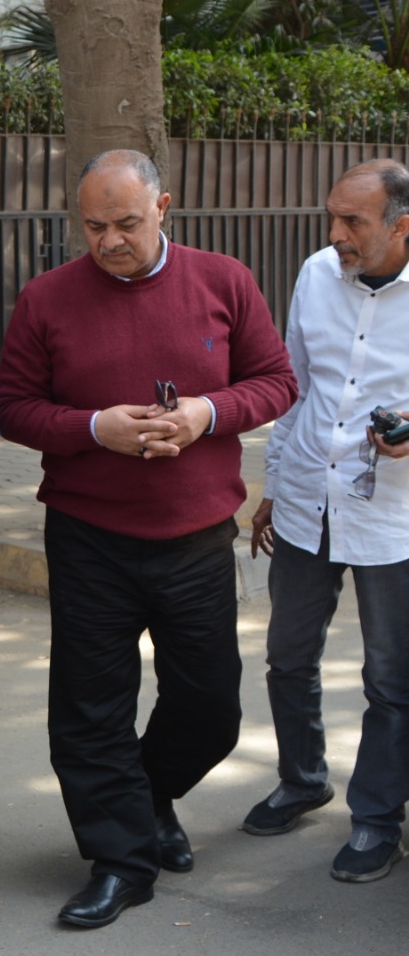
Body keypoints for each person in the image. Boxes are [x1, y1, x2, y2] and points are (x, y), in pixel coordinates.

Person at [0, 149, 298, 929]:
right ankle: (121, 861)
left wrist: (206, 413)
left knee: (211, 707)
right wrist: (95, 428)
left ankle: (146, 796)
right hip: (89, 537)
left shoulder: (224, 280)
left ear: (164, 208)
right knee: (89, 710)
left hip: (195, 536)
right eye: (93, 226)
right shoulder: (46, 299)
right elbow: (13, 408)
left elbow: (276, 381)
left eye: (126, 223)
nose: (108, 241)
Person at [243, 158, 409, 884]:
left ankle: (377, 819)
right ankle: (303, 777)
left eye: (353, 222)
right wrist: (275, 483)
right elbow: (295, 385)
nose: (335, 233)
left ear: (401, 226)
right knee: (287, 655)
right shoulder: (316, 273)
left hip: (394, 517)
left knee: (390, 679)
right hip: (308, 498)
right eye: (332, 216)